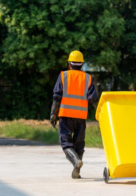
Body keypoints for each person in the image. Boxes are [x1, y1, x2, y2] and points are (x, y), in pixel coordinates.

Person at [50, 50, 99, 179]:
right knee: (79, 144)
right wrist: (99, 113)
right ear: (81, 64)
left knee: (66, 143)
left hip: (66, 115)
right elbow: (93, 98)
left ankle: (76, 163)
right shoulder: (88, 78)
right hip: (81, 117)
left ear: (69, 64)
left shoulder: (63, 76)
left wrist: (53, 115)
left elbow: (57, 97)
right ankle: (77, 170)